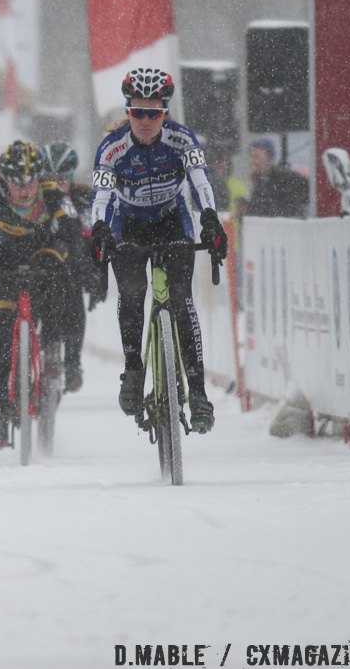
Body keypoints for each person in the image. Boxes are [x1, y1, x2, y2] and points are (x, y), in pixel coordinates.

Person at [90, 67, 228, 434]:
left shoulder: (183, 141)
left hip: (172, 220)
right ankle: (134, 369)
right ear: (128, 110)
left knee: (182, 301)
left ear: (165, 111)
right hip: (128, 224)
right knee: (133, 294)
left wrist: (211, 219)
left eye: (154, 113)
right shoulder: (113, 147)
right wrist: (100, 229)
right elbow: (102, 195)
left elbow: (201, 181)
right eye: (138, 112)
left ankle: (198, 393)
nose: (146, 121)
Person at [0, 139, 87, 448]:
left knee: (61, 282)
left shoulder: (54, 194)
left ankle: (55, 349)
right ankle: (0, 412)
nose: (24, 190)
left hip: (42, 251)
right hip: (3, 257)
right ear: (3, 179)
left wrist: (71, 258)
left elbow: (71, 232)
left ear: (39, 178)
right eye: (15, 183)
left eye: (30, 183)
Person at [39, 141, 101, 391]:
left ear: (72, 177)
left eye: (62, 178)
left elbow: (96, 239)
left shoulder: (86, 198)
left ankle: (72, 361)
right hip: (43, 264)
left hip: (77, 265)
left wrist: (98, 274)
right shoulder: (36, 198)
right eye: (50, 177)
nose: (56, 183)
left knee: (73, 293)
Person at [246, 138, 308, 218]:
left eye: (257, 157)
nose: (252, 161)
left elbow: (308, 192)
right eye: (251, 157)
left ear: (269, 159)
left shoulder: (285, 178)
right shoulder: (259, 186)